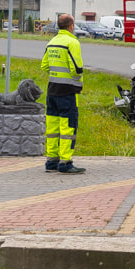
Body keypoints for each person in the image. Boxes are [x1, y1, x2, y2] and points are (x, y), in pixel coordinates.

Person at [40, 13, 86, 174]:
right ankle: (65, 162)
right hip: (67, 92)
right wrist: (76, 79)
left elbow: (44, 66)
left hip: (52, 90)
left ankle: (52, 161)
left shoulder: (52, 42)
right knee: (68, 128)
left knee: (52, 128)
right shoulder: (72, 42)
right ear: (71, 26)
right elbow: (77, 68)